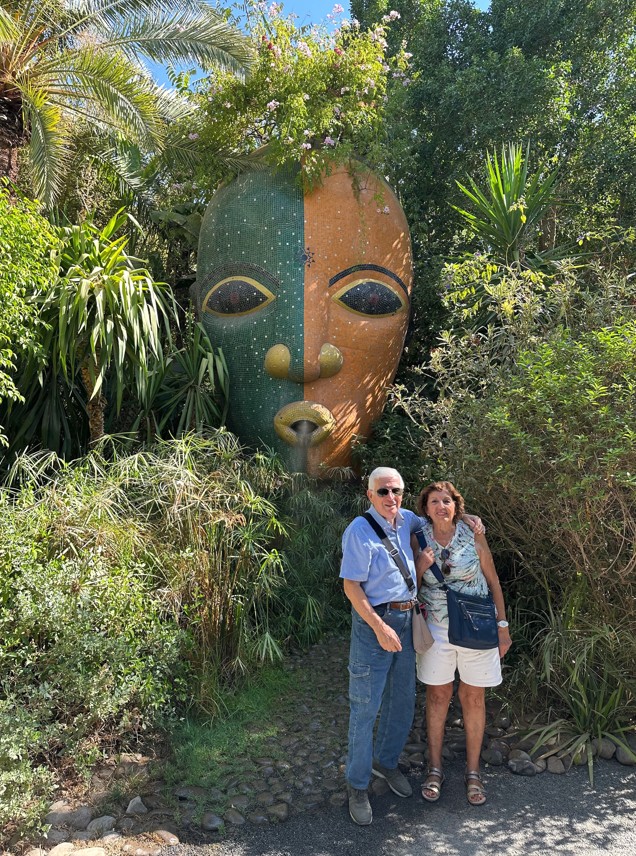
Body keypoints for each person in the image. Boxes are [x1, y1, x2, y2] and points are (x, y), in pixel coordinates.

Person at [340, 468, 483, 826]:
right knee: (366, 707)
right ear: (370, 494)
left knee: (402, 701)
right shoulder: (358, 531)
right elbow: (351, 587)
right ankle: (357, 785)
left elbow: (441, 513)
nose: (391, 498)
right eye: (384, 491)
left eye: (397, 491)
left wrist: (466, 515)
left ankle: (385, 764)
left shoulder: (406, 520)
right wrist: (379, 627)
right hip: (375, 623)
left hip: (408, 621)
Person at [414, 481, 512, 807]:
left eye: (447, 501)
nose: (441, 506)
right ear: (425, 508)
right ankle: (435, 768)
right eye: (434, 501)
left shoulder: (473, 533)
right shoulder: (418, 537)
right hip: (436, 629)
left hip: (477, 626)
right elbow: (408, 586)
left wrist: (503, 627)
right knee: (438, 695)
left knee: (473, 697)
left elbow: (494, 582)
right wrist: (420, 566)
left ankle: (473, 773)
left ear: (457, 506)